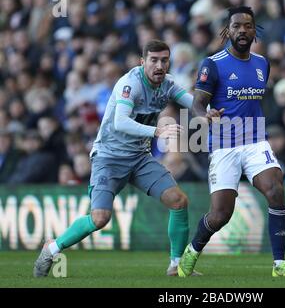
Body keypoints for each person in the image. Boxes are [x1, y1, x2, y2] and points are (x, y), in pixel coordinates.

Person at [33, 40, 200, 277]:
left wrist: (211, 110)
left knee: (178, 200)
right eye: (153, 60)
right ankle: (51, 248)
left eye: (164, 60)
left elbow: (194, 104)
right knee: (100, 218)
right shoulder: (130, 84)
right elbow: (120, 122)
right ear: (143, 62)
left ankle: (176, 265)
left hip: (139, 158)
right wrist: (156, 132)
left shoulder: (169, 84)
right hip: (109, 158)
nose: (159, 65)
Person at [177, 6, 285, 278]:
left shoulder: (262, 63)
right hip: (223, 145)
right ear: (227, 31)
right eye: (236, 26)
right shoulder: (213, 64)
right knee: (221, 215)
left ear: (255, 30)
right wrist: (205, 114)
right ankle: (192, 251)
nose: (242, 30)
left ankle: (279, 264)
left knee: (275, 190)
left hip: (255, 140)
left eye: (247, 25)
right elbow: (197, 103)